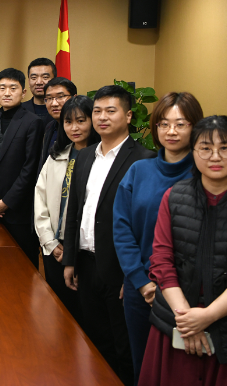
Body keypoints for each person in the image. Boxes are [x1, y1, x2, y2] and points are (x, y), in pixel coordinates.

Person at [140, 116, 227, 386]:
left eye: (225, 147)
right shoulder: (173, 196)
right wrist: (186, 319)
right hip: (176, 322)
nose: (215, 156)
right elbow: (162, 262)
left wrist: (207, 317)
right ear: (193, 152)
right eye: (205, 148)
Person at [62, 85, 156, 386]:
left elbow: (146, 226)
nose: (102, 117)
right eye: (98, 111)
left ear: (128, 116)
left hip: (121, 270)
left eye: (111, 111)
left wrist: (134, 276)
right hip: (86, 264)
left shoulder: (144, 160)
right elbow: (75, 210)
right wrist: (70, 259)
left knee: (125, 347)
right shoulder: (84, 156)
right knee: (93, 341)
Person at [113, 92, 203, 385]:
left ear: (195, 127)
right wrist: (140, 281)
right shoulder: (139, 170)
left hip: (189, 292)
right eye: (164, 124)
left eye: (181, 124)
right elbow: (122, 229)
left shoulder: (205, 175)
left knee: (183, 371)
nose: (171, 131)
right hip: (141, 287)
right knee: (143, 365)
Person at [34, 95, 100, 325]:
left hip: (86, 251)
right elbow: (40, 201)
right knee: (57, 313)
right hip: (56, 246)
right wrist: (50, 243)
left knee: (86, 316)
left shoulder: (101, 159)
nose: (74, 128)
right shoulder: (56, 156)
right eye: (68, 122)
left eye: (81, 121)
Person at [0, 68, 44, 268]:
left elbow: (30, 168)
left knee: (22, 268)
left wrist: (6, 202)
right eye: (2, 88)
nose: (7, 93)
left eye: (13, 88)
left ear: (23, 92)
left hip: (18, 211)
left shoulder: (33, 122)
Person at [40, 77, 77, 167]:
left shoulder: (79, 129)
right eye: (49, 98)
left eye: (60, 97)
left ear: (74, 97)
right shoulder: (49, 127)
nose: (54, 104)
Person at [21, 57, 56, 129]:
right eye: (34, 78)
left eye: (45, 77)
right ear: (29, 82)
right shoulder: (19, 110)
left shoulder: (63, 110)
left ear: (54, 80)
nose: (39, 82)